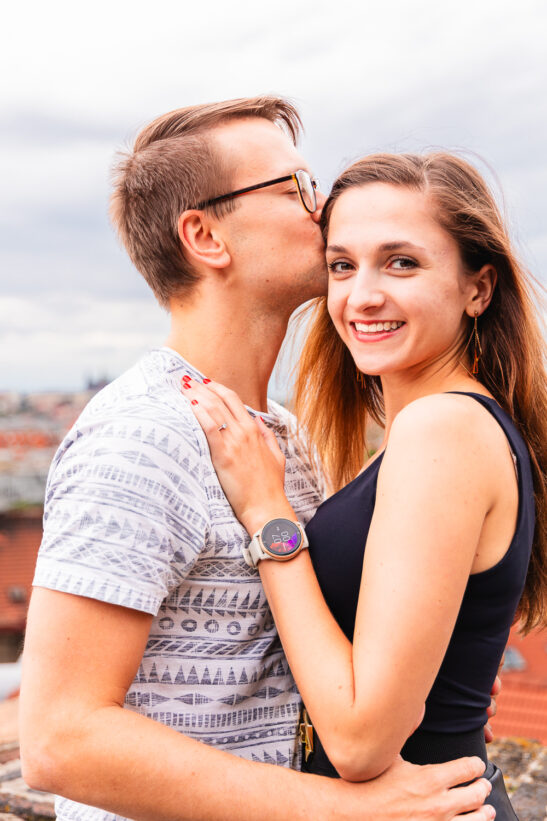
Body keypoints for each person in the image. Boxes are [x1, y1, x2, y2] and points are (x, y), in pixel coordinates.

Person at [19, 99, 496, 821]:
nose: (324, 207)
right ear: (206, 235)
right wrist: (338, 807)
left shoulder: (282, 436)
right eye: (295, 188)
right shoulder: (143, 435)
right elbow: (59, 738)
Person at [184, 152, 547, 818]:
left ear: (478, 287)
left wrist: (269, 516)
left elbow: (359, 739)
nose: (362, 295)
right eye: (342, 265)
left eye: (401, 262)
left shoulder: (442, 430)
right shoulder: (455, 423)